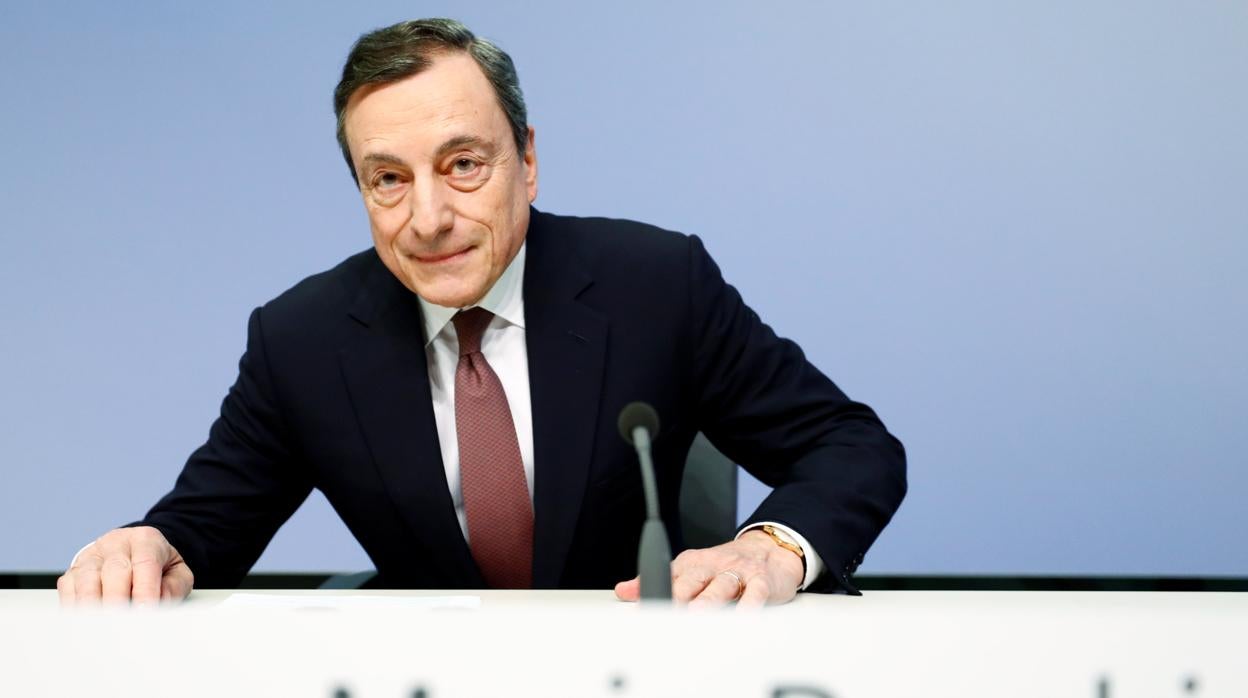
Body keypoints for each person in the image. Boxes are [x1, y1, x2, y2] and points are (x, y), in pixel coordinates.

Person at [57, 18, 906, 607]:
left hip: (647, 665)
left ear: (526, 161)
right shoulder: (301, 339)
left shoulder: (654, 283)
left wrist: (772, 547)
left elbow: (851, 447)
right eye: (389, 179)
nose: (427, 218)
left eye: (462, 164)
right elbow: (202, 527)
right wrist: (149, 547)